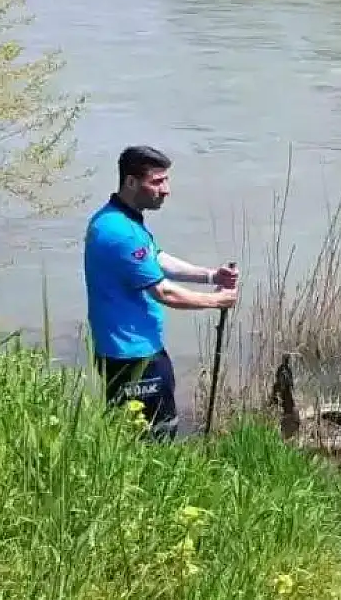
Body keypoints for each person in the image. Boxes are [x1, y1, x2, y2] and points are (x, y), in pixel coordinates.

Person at [83, 145, 239, 440]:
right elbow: (164, 293)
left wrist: (209, 276)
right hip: (133, 357)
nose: (166, 190)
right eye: (157, 181)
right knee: (154, 436)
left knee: (131, 432)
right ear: (130, 182)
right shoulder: (120, 233)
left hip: (126, 350)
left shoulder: (118, 219)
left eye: (166, 180)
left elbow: (157, 259)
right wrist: (217, 300)